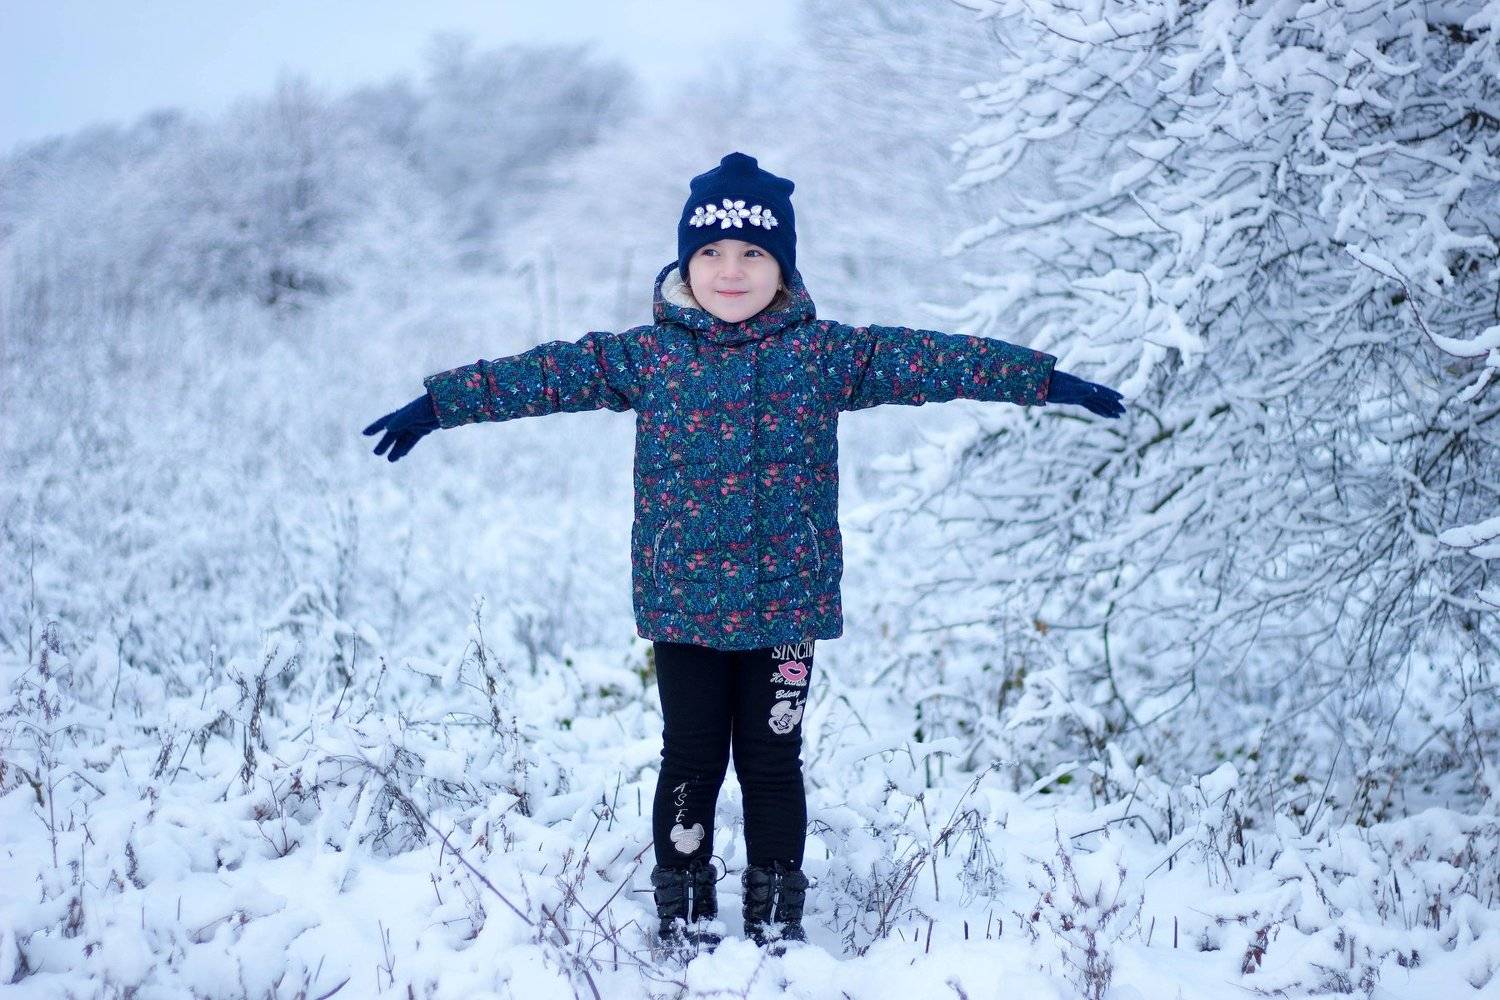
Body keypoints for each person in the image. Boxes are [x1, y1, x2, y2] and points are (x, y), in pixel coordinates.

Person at [363, 152, 1125, 955]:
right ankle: (685, 913)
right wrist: (441, 404)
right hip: (685, 605)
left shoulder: (824, 355)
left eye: (753, 253)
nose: (731, 271)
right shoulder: (649, 356)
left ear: (783, 265)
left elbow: (937, 361)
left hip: (785, 607)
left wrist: (1042, 380)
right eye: (712, 253)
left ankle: (775, 921)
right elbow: (547, 374)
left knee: (772, 761)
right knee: (690, 758)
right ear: (686, 264)